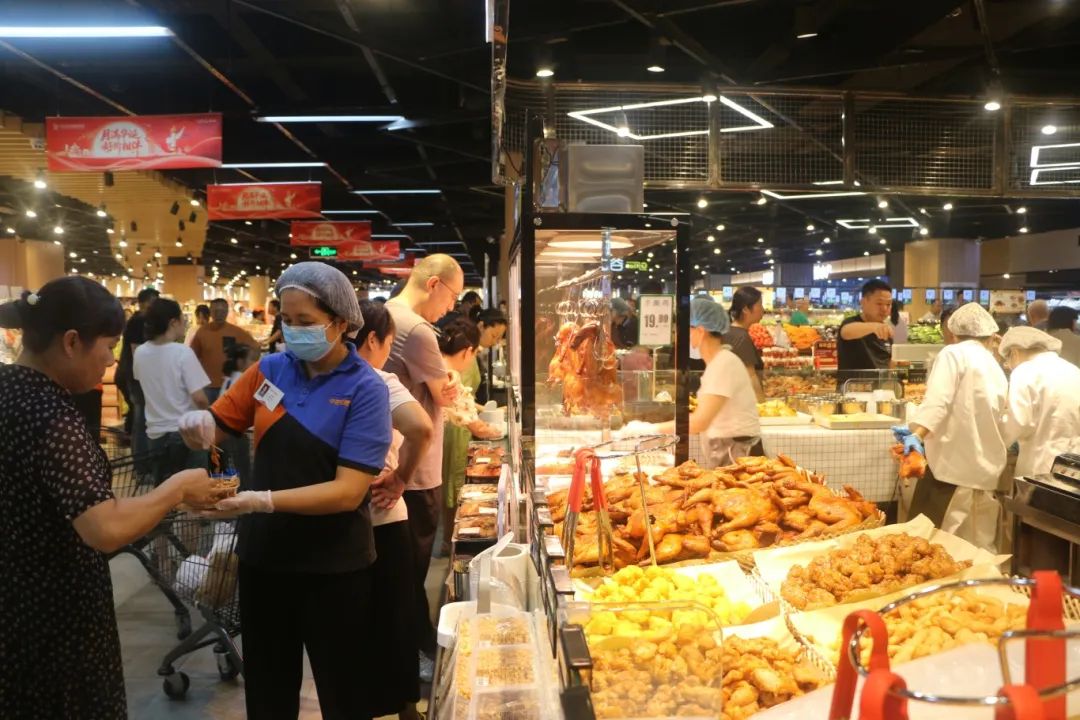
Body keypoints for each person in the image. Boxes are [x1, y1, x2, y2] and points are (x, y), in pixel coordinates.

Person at [178, 263, 392, 719]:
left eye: (306, 321)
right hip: (266, 559)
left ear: (341, 322)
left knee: (344, 692)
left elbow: (347, 492)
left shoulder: (366, 389)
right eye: (287, 320)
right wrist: (198, 425)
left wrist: (263, 500)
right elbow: (219, 425)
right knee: (269, 689)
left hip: (335, 565)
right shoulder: (270, 370)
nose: (293, 331)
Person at [0, 278, 222, 719]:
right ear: (70, 342)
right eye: (107, 346)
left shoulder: (10, 391)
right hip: (57, 617)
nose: (110, 360)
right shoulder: (51, 417)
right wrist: (177, 489)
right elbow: (104, 526)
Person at [380, 253, 463, 677]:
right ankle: (413, 656)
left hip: (395, 460)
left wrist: (446, 381)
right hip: (414, 469)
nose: (452, 307)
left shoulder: (388, 316)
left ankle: (407, 651)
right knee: (410, 569)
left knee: (401, 568)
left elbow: (442, 386)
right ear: (433, 284)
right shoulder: (415, 330)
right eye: (452, 296)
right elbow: (443, 392)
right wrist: (449, 381)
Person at [356, 300, 433, 720]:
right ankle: (406, 709)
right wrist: (401, 476)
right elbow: (420, 428)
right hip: (383, 514)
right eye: (388, 343)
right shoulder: (379, 380)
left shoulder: (315, 380)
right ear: (373, 340)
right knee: (395, 616)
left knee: (352, 621)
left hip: (332, 522)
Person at [894, 303, 1007, 552]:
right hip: (985, 471)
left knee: (938, 549)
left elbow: (939, 401)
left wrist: (917, 434)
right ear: (990, 335)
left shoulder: (952, 353)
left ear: (953, 333)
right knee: (980, 547)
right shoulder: (993, 364)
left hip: (952, 471)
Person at [658, 296, 761, 465]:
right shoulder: (717, 363)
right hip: (729, 450)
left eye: (684, 330)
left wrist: (651, 429)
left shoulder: (724, 364)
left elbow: (700, 422)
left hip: (737, 453)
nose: (679, 336)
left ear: (700, 331)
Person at [439, 318, 502, 552]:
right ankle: (450, 542)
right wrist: (497, 430)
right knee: (450, 484)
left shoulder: (435, 364)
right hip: (447, 436)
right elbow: (475, 425)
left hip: (435, 440)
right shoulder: (449, 376)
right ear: (468, 351)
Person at [133, 298, 211, 484]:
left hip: (156, 432)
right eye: (183, 319)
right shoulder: (182, 353)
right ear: (173, 322)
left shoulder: (140, 352)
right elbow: (199, 398)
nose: (185, 323)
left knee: (165, 490)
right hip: (187, 432)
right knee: (193, 490)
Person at [999, 326, 1080, 478]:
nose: (1008, 366)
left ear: (1014, 352)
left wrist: (993, 443)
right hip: (1074, 465)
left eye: (1007, 360)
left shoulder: (1024, 371)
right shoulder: (1073, 370)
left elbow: (1018, 422)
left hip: (1040, 466)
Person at [115, 287, 159, 463]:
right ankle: (141, 463)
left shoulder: (140, 321)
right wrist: (146, 376)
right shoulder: (138, 322)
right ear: (144, 303)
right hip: (135, 376)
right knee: (141, 417)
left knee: (139, 416)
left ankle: (141, 461)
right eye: (153, 303)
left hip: (134, 375)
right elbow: (136, 352)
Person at [190, 297, 260, 403]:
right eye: (216, 311)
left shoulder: (237, 332)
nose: (219, 314)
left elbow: (256, 348)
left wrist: (246, 368)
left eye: (222, 311)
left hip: (230, 384)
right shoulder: (202, 332)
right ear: (210, 312)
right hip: (207, 385)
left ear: (227, 311)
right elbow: (192, 356)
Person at [837, 279, 893, 387]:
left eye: (888, 304)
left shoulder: (885, 330)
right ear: (863, 302)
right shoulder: (851, 323)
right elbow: (846, 332)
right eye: (879, 303)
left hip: (880, 391)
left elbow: (888, 362)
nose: (884, 308)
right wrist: (874, 327)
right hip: (852, 392)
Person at [220, 344, 258, 484]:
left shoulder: (228, 379)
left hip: (226, 431)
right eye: (252, 359)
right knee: (243, 472)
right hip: (238, 432)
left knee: (233, 469)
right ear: (241, 362)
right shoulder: (244, 379)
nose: (255, 363)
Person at [723, 287, 766, 402]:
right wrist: (762, 404)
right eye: (760, 305)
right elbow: (750, 376)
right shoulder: (741, 337)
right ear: (746, 309)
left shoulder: (729, 331)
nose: (763, 309)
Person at [474, 308, 508, 404]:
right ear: (481, 326)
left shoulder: (476, 353)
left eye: (498, 339)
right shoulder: (465, 351)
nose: (494, 343)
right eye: (493, 336)